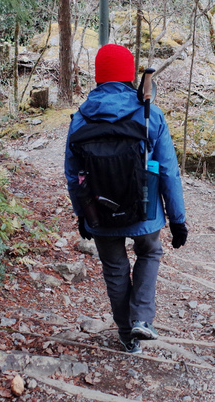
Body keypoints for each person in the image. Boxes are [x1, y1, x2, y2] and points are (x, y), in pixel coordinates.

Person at [64, 44, 188, 354]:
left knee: (115, 269)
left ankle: (126, 334)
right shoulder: (149, 115)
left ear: (98, 76)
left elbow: (72, 174)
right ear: (129, 75)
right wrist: (178, 219)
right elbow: (169, 172)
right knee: (149, 252)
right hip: (143, 211)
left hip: (100, 212)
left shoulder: (80, 118)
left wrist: (83, 213)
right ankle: (142, 319)